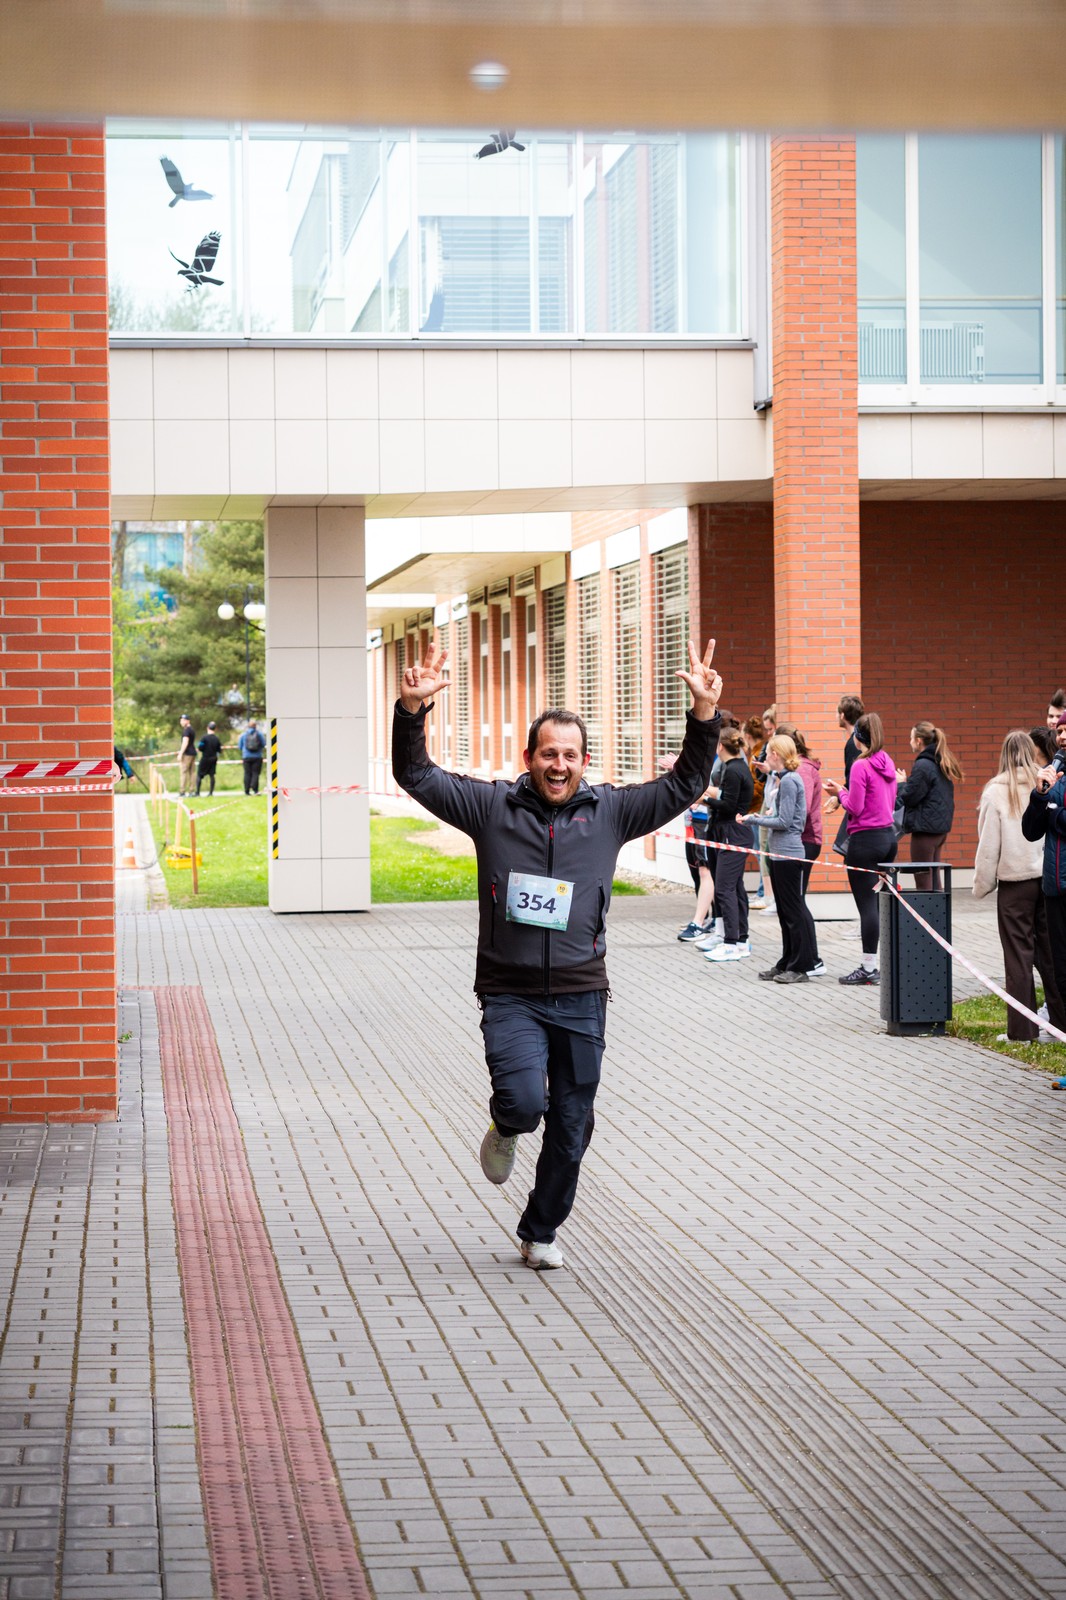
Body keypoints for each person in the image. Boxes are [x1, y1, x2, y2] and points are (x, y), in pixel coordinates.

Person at [392, 636, 724, 1272]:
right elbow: (417, 775)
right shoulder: (491, 808)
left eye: (570, 755)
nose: (559, 764)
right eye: (549, 753)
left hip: (580, 994)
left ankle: (539, 1230)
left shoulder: (611, 813)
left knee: (573, 1127)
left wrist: (704, 715)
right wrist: (412, 712)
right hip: (510, 993)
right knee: (525, 1102)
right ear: (530, 758)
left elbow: (685, 781)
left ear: (585, 761)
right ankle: (506, 1125)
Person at [974, 731, 1065, 1043]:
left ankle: (1022, 1030)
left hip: (1014, 885)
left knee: (1018, 958)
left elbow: (989, 846)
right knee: (1051, 956)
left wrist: (982, 885)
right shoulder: (1048, 782)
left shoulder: (995, 791)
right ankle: (1060, 1024)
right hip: (1046, 879)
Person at [823, 711, 897, 986]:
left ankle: (868, 967)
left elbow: (855, 806)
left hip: (865, 840)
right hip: (888, 838)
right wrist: (844, 792)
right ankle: (881, 962)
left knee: (867, 906)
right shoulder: (887, 760)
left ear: (858, 737)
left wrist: (839, 794)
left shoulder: (860, 765)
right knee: (878, 904)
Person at [741, 733, 816, 985]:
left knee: (792, 912)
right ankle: (787, 961)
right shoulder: (784, 778)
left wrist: (754, 820)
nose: (765, 758)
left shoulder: (790, 781)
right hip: (780, 853)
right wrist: (763, 816)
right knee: (785, 912)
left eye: (768, 754)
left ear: (775, 754)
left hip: (788, 854)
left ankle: (800, 966)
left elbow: (785, 821)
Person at [700, 724, 754, 962]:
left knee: (724, 888)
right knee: (735, 887)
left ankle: (731, 942)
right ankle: (740, 939)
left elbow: (729, 805)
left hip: (732, 832)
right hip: (732, 831)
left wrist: (703, 800)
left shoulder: (733, 770)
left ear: (720, 746)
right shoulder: (738, 767)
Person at [1022, 748, 1066, 1040]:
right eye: (1060, 730)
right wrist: (1039, 796)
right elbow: (1030, 831)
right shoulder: (1055, 773)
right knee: (1062, 975)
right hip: (1054, 888)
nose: (1062, 736)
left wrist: (1054, 812)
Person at [776, 721, 825, 977]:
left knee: (795, 904)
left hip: (803, 841)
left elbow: (798, 811)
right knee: (788, 904)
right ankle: (791, 958)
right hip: (795, 841)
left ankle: (809, 961)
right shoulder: (790, 772)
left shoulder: (801, 771)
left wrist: (762, 819)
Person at [894, 721, 963, 891]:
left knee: (923, 878)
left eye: (911, 738)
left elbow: (910, 797)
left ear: (919, 741)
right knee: (933, 876)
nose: (910, 741)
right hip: (938, 830)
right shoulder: (938, 762)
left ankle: (926, 910)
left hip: (925, 830)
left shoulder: (923, 764)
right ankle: (938, 909)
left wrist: (901, 784)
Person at [832, 693, 864, 857]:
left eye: (837, 713)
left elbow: (853, 782)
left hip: (861, 819)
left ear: (843, 715)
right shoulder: (859, 741)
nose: (836, 716)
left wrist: (839, 795)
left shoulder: (853, 744)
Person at [195, 721, 222, 797]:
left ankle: (197, 792)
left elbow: (200, 747)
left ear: (207, 728)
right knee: (212, 775)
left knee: (199, 774)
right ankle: (211, 792)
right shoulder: (217, 739)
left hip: (205, 758)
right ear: (215, 729)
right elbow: (219, 750)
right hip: (213, 758)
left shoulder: (204, 738)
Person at [240, 719, 266, 794]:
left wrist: (245, 751)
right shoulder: (259, 734)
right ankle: (255, 789)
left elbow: (240, 746)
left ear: (248, 726)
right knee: (255, 773)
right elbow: (263, 744)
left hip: (246, 756)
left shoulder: (244, 734)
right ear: (255, 726)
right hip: (257, 756)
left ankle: (247, 790)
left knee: (247, 773)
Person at [178, 714, 196, 797]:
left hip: (187, 754)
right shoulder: (192, 730)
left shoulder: (186, 731)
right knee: (192, 773)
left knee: (184, 772)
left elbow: (185, 742)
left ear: (187, 721)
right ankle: (192, 790)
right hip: (193, 753)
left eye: (183, 720)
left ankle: (182, 791)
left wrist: (181, 753)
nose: (181, 722)